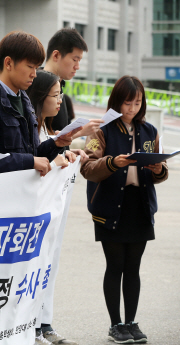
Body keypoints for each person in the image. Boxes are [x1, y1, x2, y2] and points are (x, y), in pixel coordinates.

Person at [81, 76, 168, 344]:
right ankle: (115, 325)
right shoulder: (102, 131)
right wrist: (112, 163)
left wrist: (159, 169)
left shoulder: (150, 131)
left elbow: (158, 173)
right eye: (127, 102)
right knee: (115, 265)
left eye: (138, 102)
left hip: (139, 206)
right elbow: (87, 168)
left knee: (134, 266)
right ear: (117, 101)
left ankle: (131, 322)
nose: (132, 108)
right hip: (110, 206)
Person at [26, 69, 87, 345]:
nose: (61, 100)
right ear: (40, 97)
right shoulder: (30, 130)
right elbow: (30, 165)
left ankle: (42, 323)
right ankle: (32, 327)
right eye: (55, 95)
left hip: (46, 215)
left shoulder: (47, 129)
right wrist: (55, 161)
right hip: (30, 215)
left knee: (47, 266)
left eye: (61, 94)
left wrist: (66, 157)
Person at [0, 31, 76, 180]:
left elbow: (32, 153)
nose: (34, 74)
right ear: (8, 63)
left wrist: (55, 144)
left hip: (24, 198)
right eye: (30, 66)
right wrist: (30, 161)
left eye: (37, 67)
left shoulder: (24, 100)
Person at [43, 28, 102, 138]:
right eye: (75, 60)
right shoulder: (38, 86)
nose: (77, 67)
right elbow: (38, 139)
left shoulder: (59, 84)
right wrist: (80, 132)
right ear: (56, 55)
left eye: (79, 61)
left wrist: (69, 151)